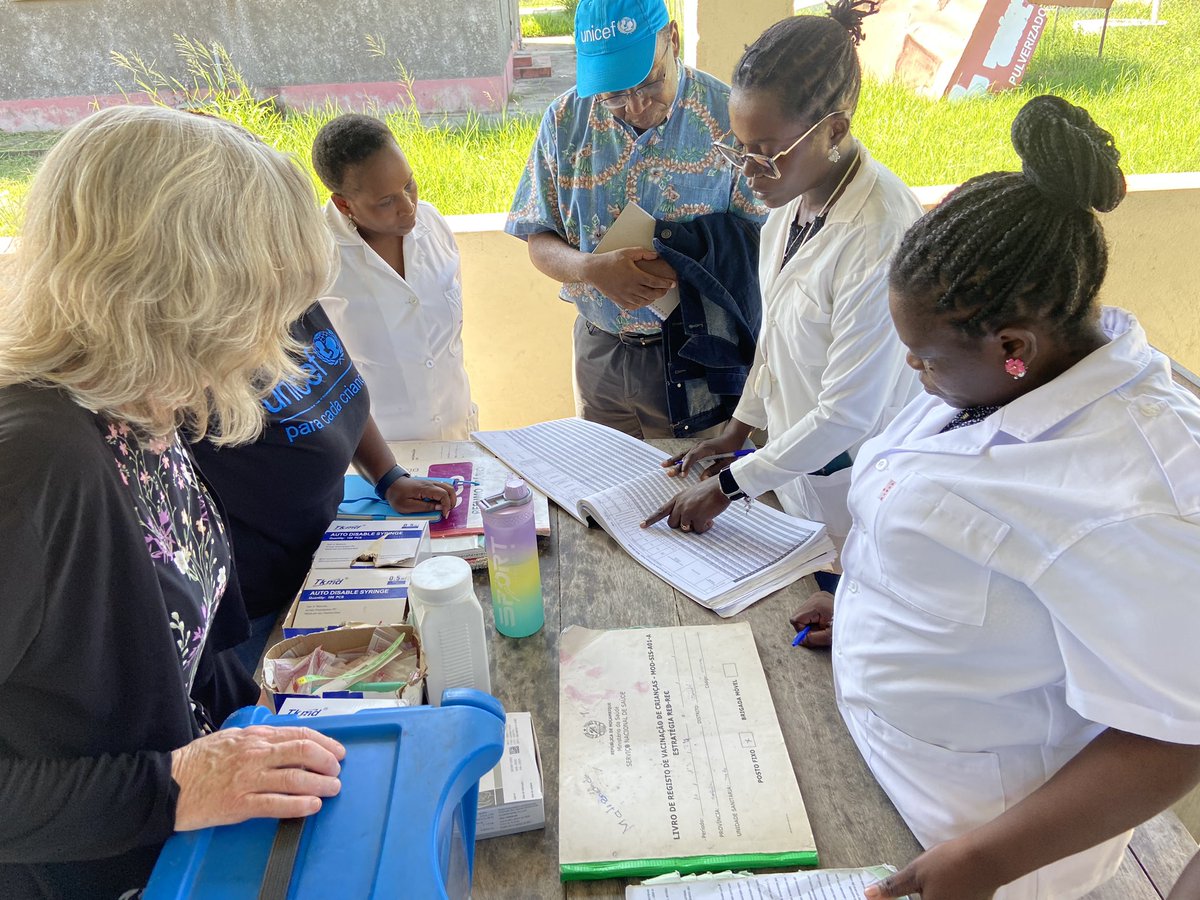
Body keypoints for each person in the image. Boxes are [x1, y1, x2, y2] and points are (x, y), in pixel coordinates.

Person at [790, 95, 1200, 900]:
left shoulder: (1140, 495)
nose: (916, 376)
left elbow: (1178, 733)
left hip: (979, 851)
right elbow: (953, 526)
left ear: (1013, 345)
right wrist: (886, 598)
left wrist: (982, 863)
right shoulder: (997, 379)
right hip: (884, 769)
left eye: (924, 361)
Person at [0, 106, 348, 897]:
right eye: (263, 296)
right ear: (183, 293)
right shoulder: (31, 462)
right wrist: (175, 786)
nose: (275, 329)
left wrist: (260, 721)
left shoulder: (145, 412)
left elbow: (180, 654)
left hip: (185, 856)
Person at [642, 3, 923, 563]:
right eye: (740, 148)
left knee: (841, 600)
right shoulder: (789, 208)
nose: (748, 171)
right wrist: (737, 432)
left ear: (834, 130)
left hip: (862, 481)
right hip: (805, 472)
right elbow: (774, 344)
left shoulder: (880, 235)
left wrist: (728, 486)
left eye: (767, 154)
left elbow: (848, 413)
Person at [506, 0, 765, 439]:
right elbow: (537, 236)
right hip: (599, 351)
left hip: (697, 353)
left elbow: (766, 237)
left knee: (689, 488)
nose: (636, 106)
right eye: (614, 94)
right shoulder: (565, 121)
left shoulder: (730, 118)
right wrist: (590, 269)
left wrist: (684, 265)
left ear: (674, 40)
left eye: (649, 82)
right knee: (606, 484)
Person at [190, 309, 457, 672]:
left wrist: (388, 476)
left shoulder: (296, 302)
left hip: (327, 553)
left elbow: (340, 391)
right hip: (257, 604)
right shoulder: (192, 361)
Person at [311, 113, 476, 441]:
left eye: (408, 184)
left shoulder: (433, 226)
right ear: (344, 205)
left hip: (457, 438)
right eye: (386, 201)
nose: (408, 206)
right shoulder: (315, 255)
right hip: (378, 457)